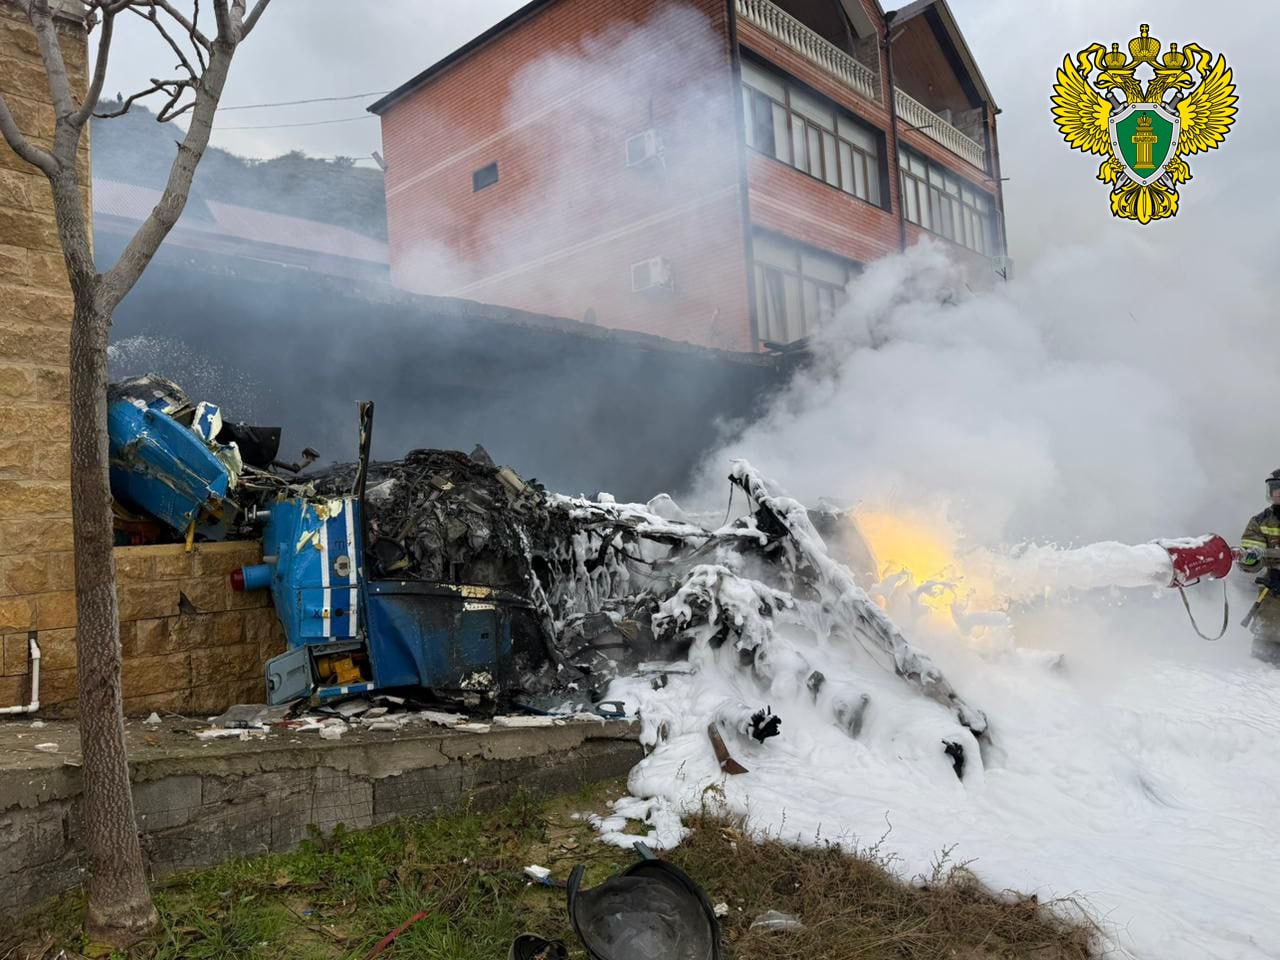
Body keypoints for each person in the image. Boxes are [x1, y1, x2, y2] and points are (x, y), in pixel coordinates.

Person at [1237, 469, 1280, 665]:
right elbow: (1250, 561)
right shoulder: (1260, 521)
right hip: (1273, 589)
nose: (1277, 493)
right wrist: (1251, 559)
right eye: (1274, 488)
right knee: (1267, 648)